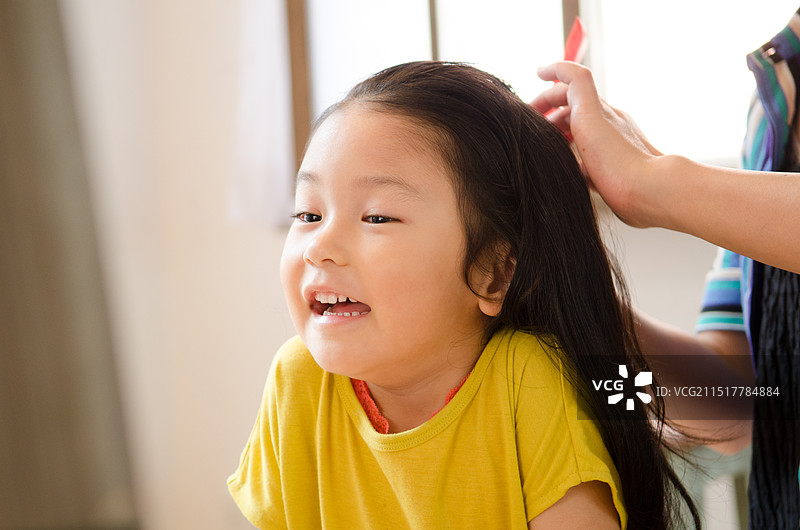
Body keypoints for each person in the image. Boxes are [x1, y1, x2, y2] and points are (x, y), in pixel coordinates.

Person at [227, 61, 701, 529]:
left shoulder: (529, 379)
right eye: (308, 215)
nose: (319, 248)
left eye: (377, 217)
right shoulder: (298, 378)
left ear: (493, 274)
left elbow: (747, 398)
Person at [533, 33, 800, 527]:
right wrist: (589, 305)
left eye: (378, 216)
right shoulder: (772, 100)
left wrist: (654, 183)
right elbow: (741, 409)